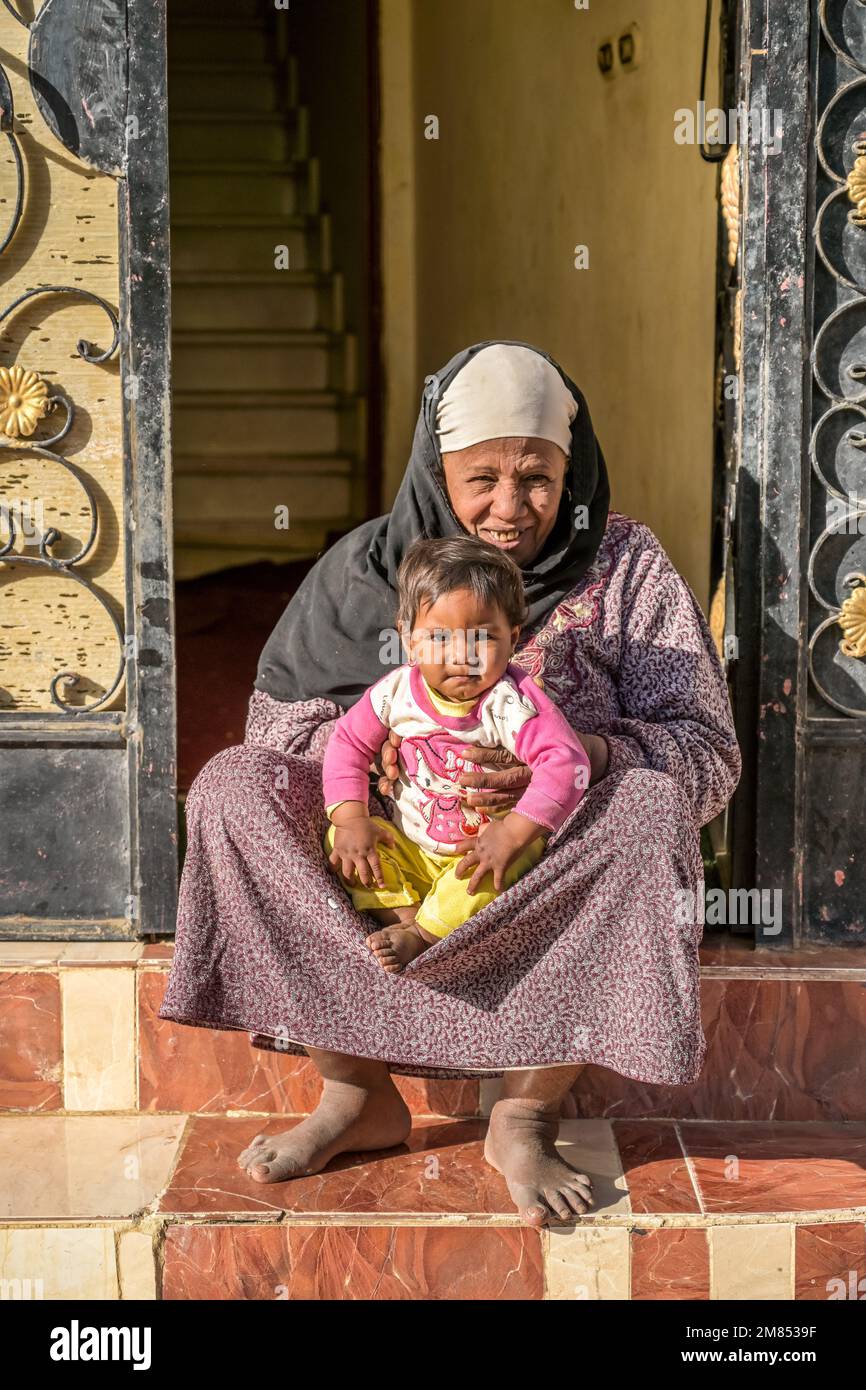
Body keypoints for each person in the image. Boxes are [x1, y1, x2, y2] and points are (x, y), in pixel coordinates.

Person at [159, 340, 741, 1228]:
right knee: (230, 790)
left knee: (653, 801)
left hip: (543, 872)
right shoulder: (370, 568)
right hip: (386, 876)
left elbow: (707, 753)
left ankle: (524, 1109)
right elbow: (274, 730)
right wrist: (366, 762)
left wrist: (588, 750)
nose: (510, 509)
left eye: (538, 477)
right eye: (482, 479)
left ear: (571, 468)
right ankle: (355, 1089)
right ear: (437, 471)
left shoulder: (626, 568)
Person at [322, 535, 592, 972]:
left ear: (514, 637)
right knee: (345, 840)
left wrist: (512, 833)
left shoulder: (510, 702)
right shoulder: (395, 694)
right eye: (439, 637)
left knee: (509, 867)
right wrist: (350, 817)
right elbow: (349, 744)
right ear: (408, 639)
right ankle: (408, 920)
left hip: (484, 854)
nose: (462, 655)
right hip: (411, 845)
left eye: (483, 637)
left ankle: (425, 936)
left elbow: (567, 763)